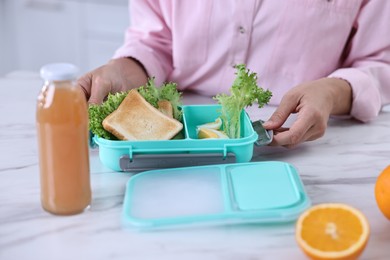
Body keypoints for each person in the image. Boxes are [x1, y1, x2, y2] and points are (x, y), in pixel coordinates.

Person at [78, 0, 390, 148]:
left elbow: (379, 62)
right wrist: (122, 69)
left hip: (301, 142)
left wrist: (333, 92)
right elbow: (154, 41)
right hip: (174, 144)